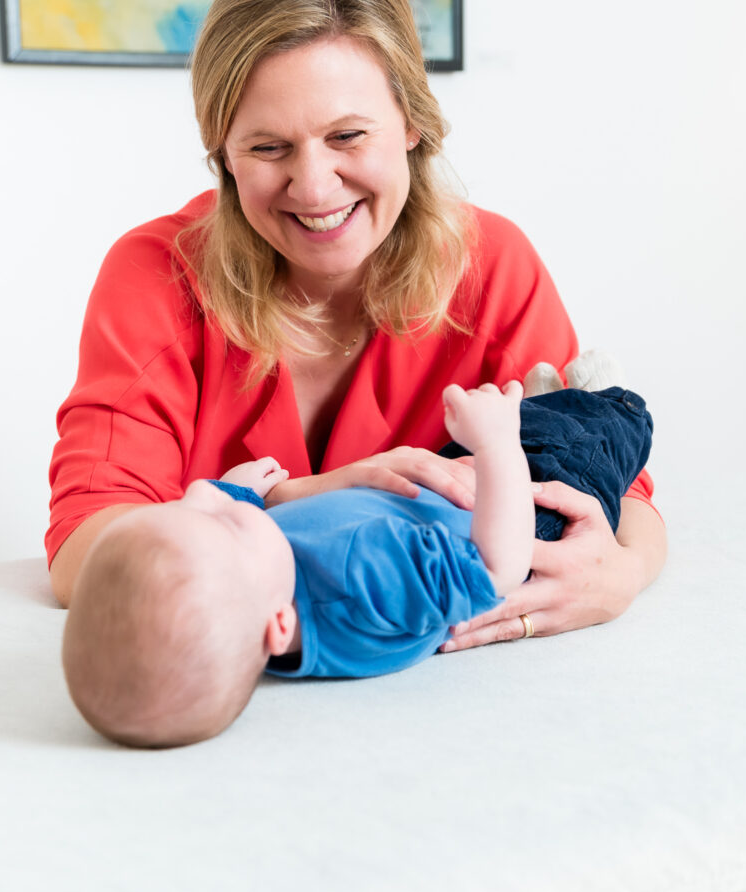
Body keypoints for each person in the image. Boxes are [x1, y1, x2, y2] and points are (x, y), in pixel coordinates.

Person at [46, 0, 666, 656]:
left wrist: (623, 574)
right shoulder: (156, 278)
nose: (313, 188)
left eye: (347, 137)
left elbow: (620, 488)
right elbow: (86, 546)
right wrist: (301, 498)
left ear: (410, 124)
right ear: (224, 154)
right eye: (269, 147)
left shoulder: (494, 266)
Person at [62, 374, 654, 748]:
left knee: (517, 410)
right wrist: (498, 448)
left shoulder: (245, 596)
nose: (211, 504)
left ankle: (543, 398)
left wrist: (240, 496)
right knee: (598, 427)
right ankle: (596, 394)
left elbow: (212, 537)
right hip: (521, 504)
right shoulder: (362, 587)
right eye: (229, 523)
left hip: (428, 489)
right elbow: (495, 566)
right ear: (280, 626)